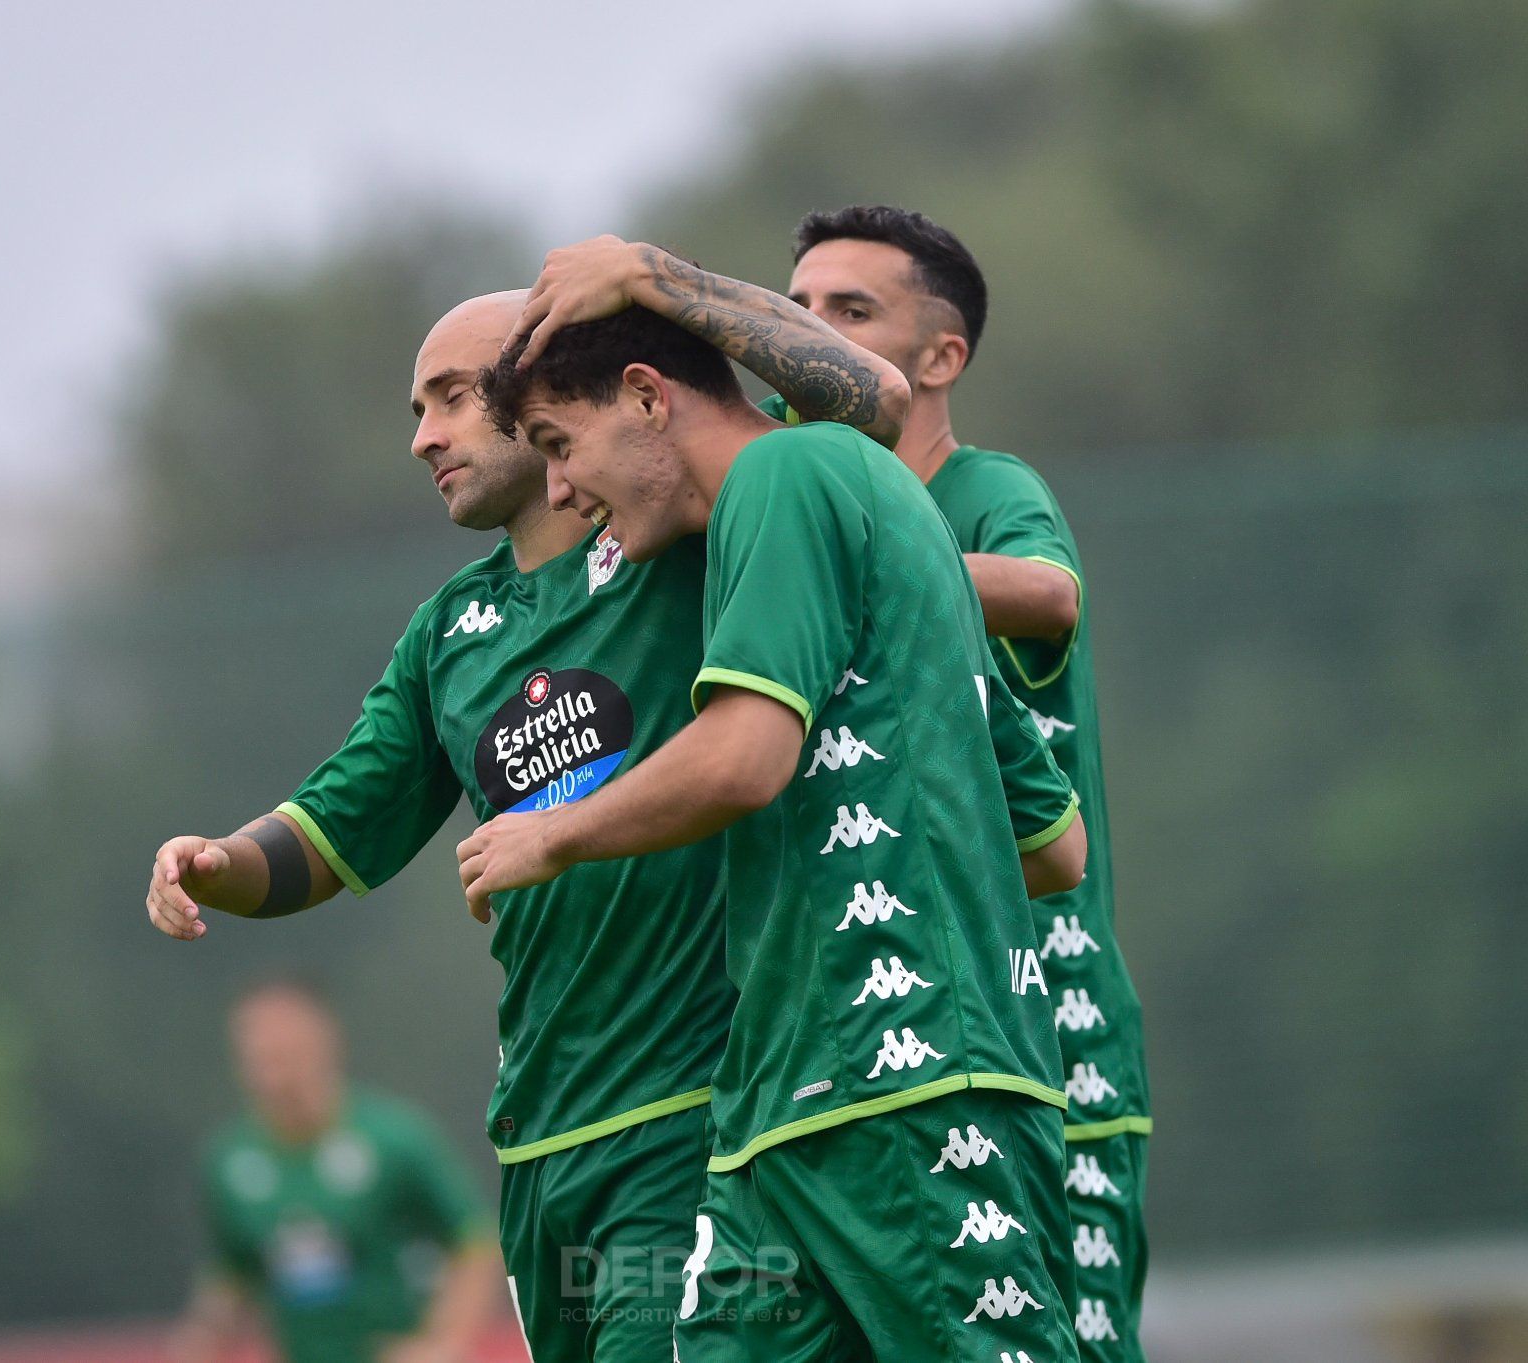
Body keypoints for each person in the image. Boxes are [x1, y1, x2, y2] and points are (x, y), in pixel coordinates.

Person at [144, 283, 907, 1360]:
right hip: (544, 1144)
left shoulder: (699, 530)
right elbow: (335, 824)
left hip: (697, 1115)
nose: (423, 437)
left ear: (538, 384)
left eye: (453, 396)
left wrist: (648, 276)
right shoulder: (450, 630)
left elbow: (859, 406)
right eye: (415, 408)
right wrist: (216, 863)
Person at [464, 305, 1089, 1362]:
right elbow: (1047, 842)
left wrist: (554, 835)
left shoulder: (786, 476)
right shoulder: (869, 523)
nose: (560, 491)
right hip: (780, 1116)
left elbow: (746, 756)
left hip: (906, 1086)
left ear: (649, 396)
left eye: (561, 446)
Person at [782, 205, 1153, 1361]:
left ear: (941, 357)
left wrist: (867, 545)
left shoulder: (987, 492)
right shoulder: (786, 508)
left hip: (1045, 1025)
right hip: (868, 1053)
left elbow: (1050, 596)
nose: (813, 337)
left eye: (851, 312)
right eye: (794, 312)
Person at [173, 977, 497, 1363]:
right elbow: (233, 1271)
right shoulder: (229, 1161)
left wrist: (444, 1342)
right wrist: (201, 1339)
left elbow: (475, 1241)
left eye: (286, 1053)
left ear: (326, 1046)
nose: (273, 1073)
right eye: (259, 1056)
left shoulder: (395, 1139)